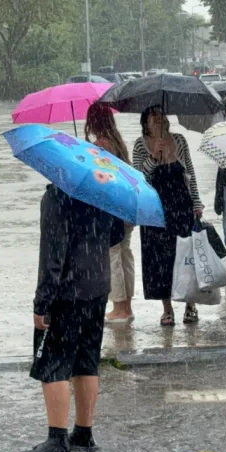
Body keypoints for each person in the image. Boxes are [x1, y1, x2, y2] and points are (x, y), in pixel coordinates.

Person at [17, 184, 113, 452]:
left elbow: (52, 252)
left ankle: (57, 440)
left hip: (68, 290)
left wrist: (42, 302)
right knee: (87, 360)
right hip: (98, 284)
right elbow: (116, 234)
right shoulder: (102, 191)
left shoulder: (57, 195)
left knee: (54, 363)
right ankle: (83, 433)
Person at [133, 105, 203, 327]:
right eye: (153, 117)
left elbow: (189, 173)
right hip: (154, 209)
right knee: (160, 260)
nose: (159, 120)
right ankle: (167, 308)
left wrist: (196, 202)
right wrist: (154, 157)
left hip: (181, 206)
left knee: (185, 256)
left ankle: (191, 304)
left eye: (161, 116)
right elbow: (139, 177)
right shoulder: (140, 145)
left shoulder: (180, 140)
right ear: (145, 123)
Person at [85, 103, 134, 323]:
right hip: (125, 206)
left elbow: (99, 180)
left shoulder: (101, 145)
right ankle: (127, 306)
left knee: (113, 257)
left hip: (110, 210)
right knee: (125, 255)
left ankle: (119, 308)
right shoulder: (119, 143)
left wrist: (86, 154)